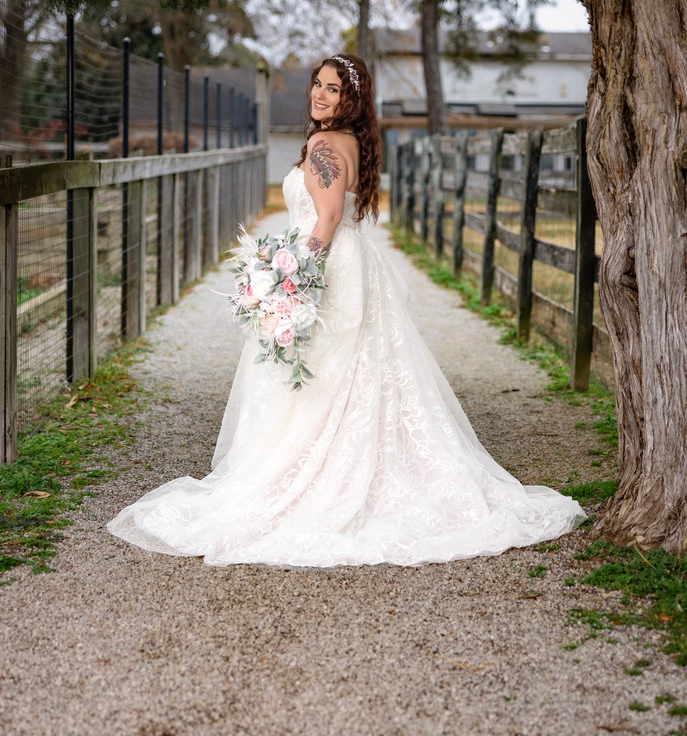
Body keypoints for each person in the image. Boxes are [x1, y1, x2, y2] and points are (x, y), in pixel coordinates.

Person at [107, 53, 585, 566]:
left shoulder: (323, 145)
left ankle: (312, 475)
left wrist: (291, 278)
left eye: (332, 89)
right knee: (354, 371)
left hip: (328, 263)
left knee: (321, 374)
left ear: (350, 99)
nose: (319, 95)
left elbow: (329, 216)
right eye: (317, 85)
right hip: (353, 262)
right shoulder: (352, 143)